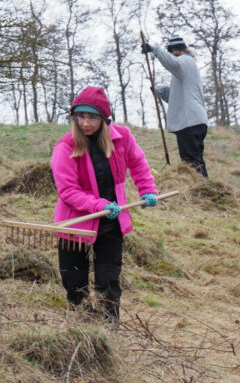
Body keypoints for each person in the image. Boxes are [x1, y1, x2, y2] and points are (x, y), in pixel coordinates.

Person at [51, 85, 159, 322]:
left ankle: (109, 327)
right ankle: (82, 327)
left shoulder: (122, 137)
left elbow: (139, 164)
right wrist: (99, 205)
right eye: (80, 116)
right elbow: (68, 191)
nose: (85, 123)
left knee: (109, 279)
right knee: (74, 281)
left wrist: (147, 189)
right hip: (75, 225)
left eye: (92, 117)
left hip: (112, 222)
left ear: (104, 119)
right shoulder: (66, 146)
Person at [142, 35, 209, 177]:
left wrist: (154, 50)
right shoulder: (187, 67)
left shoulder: (185, 61)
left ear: (176, 51)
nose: (172, 56)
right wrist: (161, 91)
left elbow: (172, 63)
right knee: (195, 162)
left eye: (172, 53)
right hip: (193, 120)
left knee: (191, 165)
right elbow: (176, 98)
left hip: (189, 122)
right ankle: (204, 190)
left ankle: (200, 192)